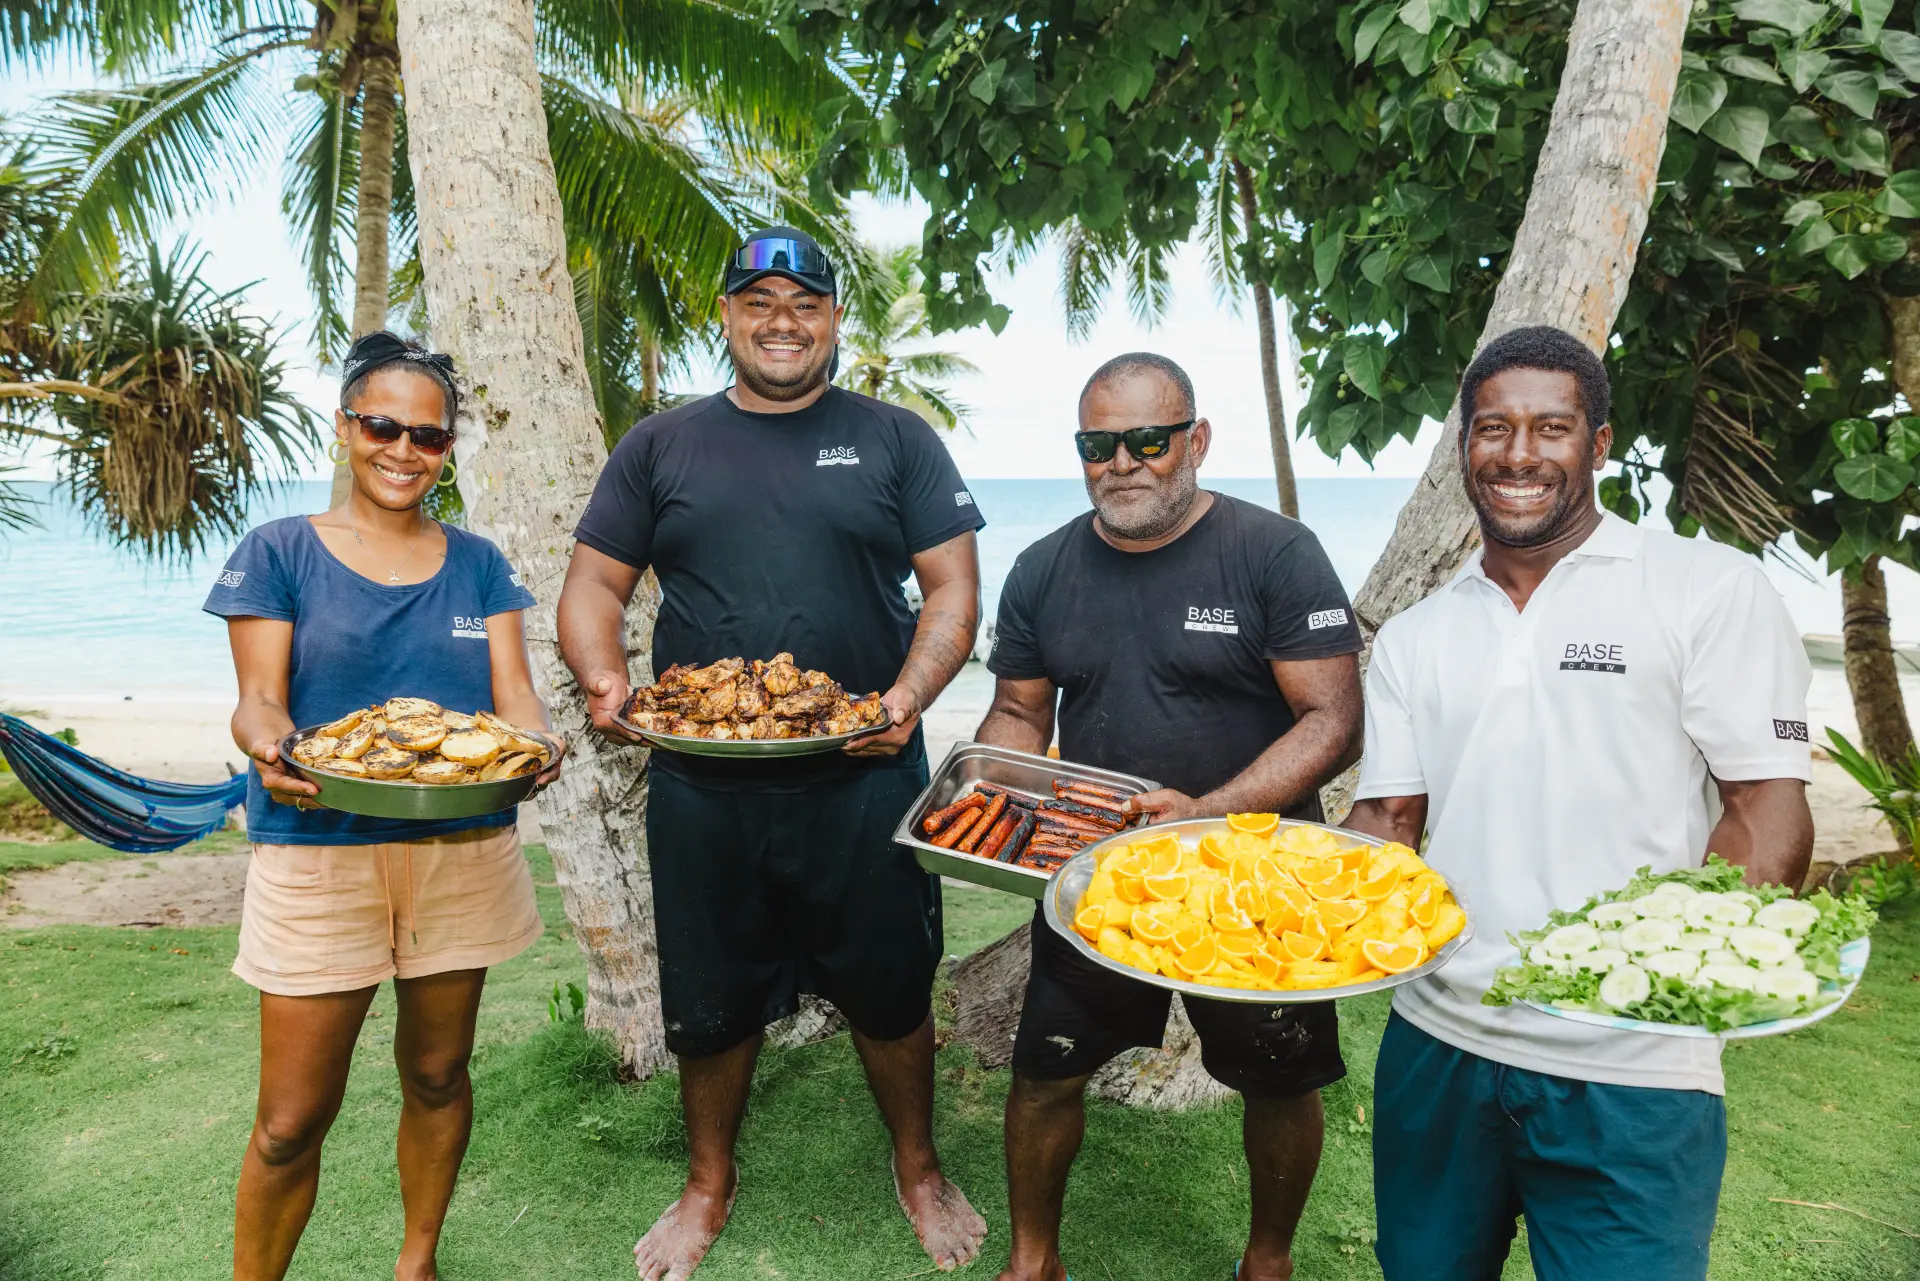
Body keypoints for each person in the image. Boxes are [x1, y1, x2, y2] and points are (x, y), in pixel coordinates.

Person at [555, 226, 990, 1280]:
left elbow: (953, 587)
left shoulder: (897, 438)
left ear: (835, 319)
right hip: (703, 783)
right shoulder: (661, 445)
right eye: (759, 301)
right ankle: (707, 1184)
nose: (782, 321)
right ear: (727, 315)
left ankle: (920, 1167)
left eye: (804, 303)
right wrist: (605, 678)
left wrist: (908, 696)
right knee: (708, 997)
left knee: (892, 986)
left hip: (865, 771)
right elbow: (594, 586)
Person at [1343, 325, 1815, 1281]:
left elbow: (1764, 809)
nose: (1518, 454)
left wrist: (1685, 978)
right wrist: (1266, 902)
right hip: (1438, 1044)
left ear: (1598, 443)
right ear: (1464, 446)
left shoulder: (1704, 588)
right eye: (1492, 428)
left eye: (1550, 427)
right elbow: (1385, 827)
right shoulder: (1417, 636)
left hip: (1634, 1067)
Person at [974, 352, 1365, 1281]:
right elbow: (1021, 712)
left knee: (1280, 1077)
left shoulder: (1275, 553)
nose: (1123, 462)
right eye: (1098, 444)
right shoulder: (1042, 568)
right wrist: (986, 786)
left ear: (1197, 441)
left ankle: (1267, 1260)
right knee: (1046, 1071)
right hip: (1099, 873)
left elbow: (1334, 720)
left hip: (1255, 878)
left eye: (1149, 440)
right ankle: (1033, 1262)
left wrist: (1204, 815)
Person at [205, 331, 565, 1281]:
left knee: (439, 1073)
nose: (404, 450)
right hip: (318, 847)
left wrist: (539, 744)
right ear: (345, 428)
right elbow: (259, 700)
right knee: (290, 1120)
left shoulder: (480, 564)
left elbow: (515, 698)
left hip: (462, 849)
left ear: (448, 448)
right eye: (382, 427)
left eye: (428, 436)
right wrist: (271, 746)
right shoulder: (280, 550)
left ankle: (417, 1264)